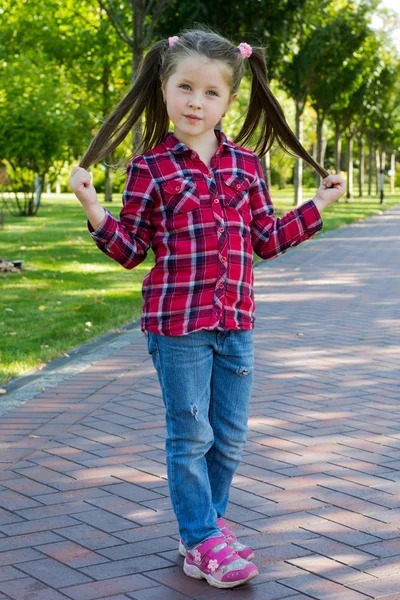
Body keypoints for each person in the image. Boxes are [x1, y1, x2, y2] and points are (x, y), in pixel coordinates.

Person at [69, 27, 346, 589]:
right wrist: (93, 207)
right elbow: (131, 252)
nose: (196, 101)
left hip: (236, 322)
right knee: (190, 436)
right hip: (178, 328)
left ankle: (206, 529)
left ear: (229, 100)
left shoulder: (247, 166)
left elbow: (266, 239)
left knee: (231, 434)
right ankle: (201, 539)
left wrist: (317, 204)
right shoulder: (150, 168)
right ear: (164, 89)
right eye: (185, 87)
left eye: (211, 92)